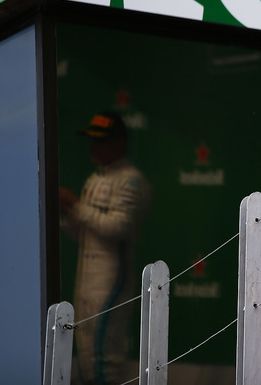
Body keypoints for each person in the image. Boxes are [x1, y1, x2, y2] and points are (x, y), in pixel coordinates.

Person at [60, 112, 151, 385]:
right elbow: (80, 234)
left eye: (100, 141)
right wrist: (66, 212)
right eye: (92, 140)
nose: (93, 147)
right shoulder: (94, 179)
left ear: (119, 143)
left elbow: (118, 229)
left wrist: (75, 205)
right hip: (85, 281)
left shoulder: (130, 180)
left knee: (104, 362)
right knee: (87, 360)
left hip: (111, 282)